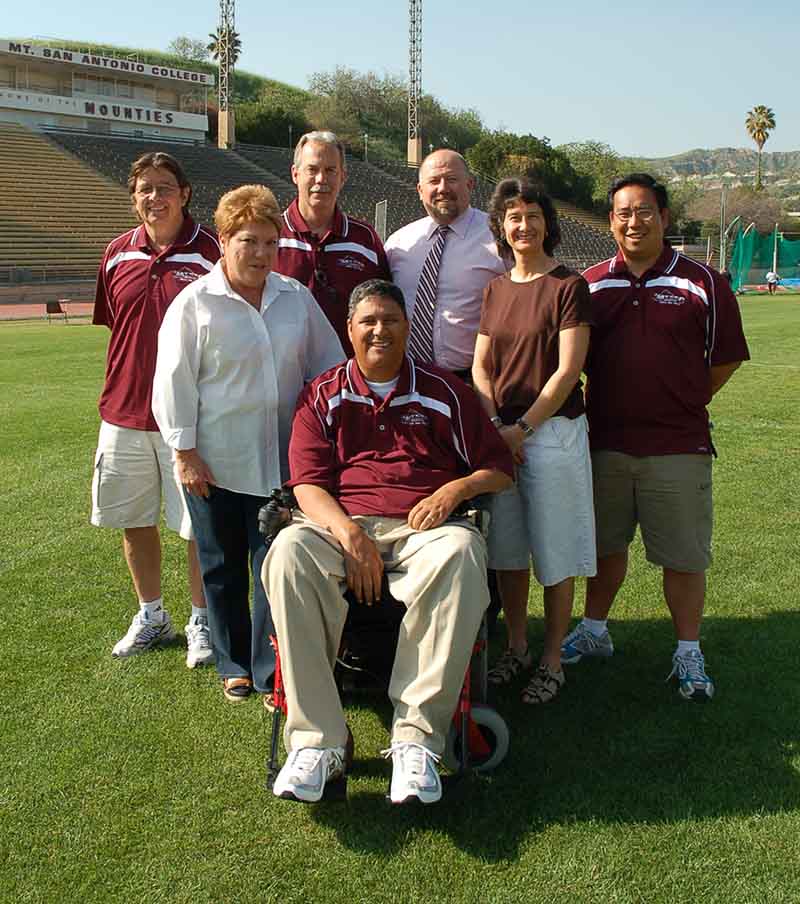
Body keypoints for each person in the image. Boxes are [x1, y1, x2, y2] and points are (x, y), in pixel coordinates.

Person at [263, 279, 513, 805]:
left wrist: (456, 489)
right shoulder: (323, 393)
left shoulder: (445, 392)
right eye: (368, 321)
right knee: (286, 554)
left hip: (424, 526)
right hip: (341, 523)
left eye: (391, 320)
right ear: (349, 330)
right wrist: (348, 531)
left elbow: (499, 468)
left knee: (463, 552)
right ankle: (319, 743)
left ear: (407, 327)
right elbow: (306, 483)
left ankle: (416, 741)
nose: (380, 330)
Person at [561, 173, 750, 702]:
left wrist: (685, 399)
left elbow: (727, 356)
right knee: (603, 548)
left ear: (664, 219)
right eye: (623, 212)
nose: (633, 221)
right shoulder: (591, 283)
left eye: (644, 211)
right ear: (611, 221)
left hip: (678, 446)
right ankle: (595, 630)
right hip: (605, 442)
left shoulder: (704, 282)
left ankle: (688, 649)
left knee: (683, 556)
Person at [152, 184, 344, 704]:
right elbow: (173, 381)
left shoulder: (295, 298)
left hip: (283, 465)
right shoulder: (196, 303)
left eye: (268, 242)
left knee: (273, 569)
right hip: (215, 462)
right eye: (247, 242)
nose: (260, 254)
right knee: (221, 565)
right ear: (223, 240)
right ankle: (233, 663)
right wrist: (185, 452)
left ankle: (269, 667)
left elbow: (328, 366)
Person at [91, 151, 220, 667]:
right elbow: (114, 325)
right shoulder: (117, 253)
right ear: (133, 196)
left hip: (191, 418)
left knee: (197, 526)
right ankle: (151, 614)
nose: (154, 197)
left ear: (185, 193)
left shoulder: (212, 251)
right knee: (133, 518)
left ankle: (200, 619)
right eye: (144, 188)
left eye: (164, 187)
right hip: (122, 412)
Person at [473, 178, 596, 705]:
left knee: (555, 547)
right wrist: (497, 426)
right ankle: (518, 646)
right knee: (507, 551)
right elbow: (481, 365)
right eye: (513, 217)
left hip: (552, 436)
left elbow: (568, 371)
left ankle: (552, 659)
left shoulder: (568, 286)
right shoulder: (496, 288)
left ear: (548, 223)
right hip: (502, 435)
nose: (523, 225)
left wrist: (521, 430)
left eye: (532, 215)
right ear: (501, 226)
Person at [385, 149, 507, 380]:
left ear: (470, 184)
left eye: (452, 179)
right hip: (407, 378)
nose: (443, 188)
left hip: (475, 381)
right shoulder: (399, 243)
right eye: (434, 181)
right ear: (420, 190)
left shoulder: (500, 237)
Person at [274, 130, 390, 355]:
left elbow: (383, 308)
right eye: (312, 169)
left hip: (344, 379)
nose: (321, 179)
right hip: (281, 378)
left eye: (330, 170)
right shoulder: (270, 235)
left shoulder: (365, 240)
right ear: (295, 174)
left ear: (343, 176)